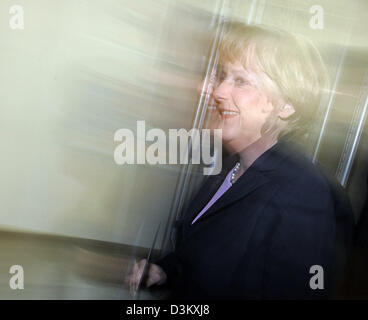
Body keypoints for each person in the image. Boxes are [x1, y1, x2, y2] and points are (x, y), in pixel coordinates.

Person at [126, 22, 354, 299]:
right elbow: (211, 258)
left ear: (286, 105)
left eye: (241, 81)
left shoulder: (306, 192)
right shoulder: (231, 168)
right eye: (223, 76)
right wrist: (164, 271)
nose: (217, 91)